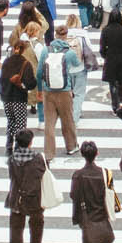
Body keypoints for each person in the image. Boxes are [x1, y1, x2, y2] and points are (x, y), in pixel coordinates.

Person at [69, 141, 115, 243]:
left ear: (82, 154)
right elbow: (110, 193)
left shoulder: (78, 175)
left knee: (87, 234)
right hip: (100, 212)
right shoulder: (105, 173)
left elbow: (73, 195)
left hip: (84, 213)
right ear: (97, 154)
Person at [38, 19, 83, 159]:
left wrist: (40, 90)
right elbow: (77, 63)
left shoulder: (46, 50)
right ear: (66, 35)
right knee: (67, 120)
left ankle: (49, 152)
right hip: (64, 90)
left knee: (49, 124)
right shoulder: (69, 52)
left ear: (55, 35)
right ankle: (71, 146)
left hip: (48, 90)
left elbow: (39, 72)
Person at [4, 127, 47, 243]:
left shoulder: (12, 159)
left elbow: (11, 177)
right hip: (34, 198)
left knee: (16, 231)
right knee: (37, 225)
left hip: (16, 197)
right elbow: (43, 175)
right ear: (30, 142)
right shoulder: (38, 158)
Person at [0, 33, 37, 155]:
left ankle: (8, 146)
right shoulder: (25, 63)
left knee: (10, 121)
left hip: (6, 97)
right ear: (24, 50)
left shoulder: (6, 62)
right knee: (20, 124)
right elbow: (31, 83)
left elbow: (2, 80)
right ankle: (18, 147)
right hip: (19, 98)